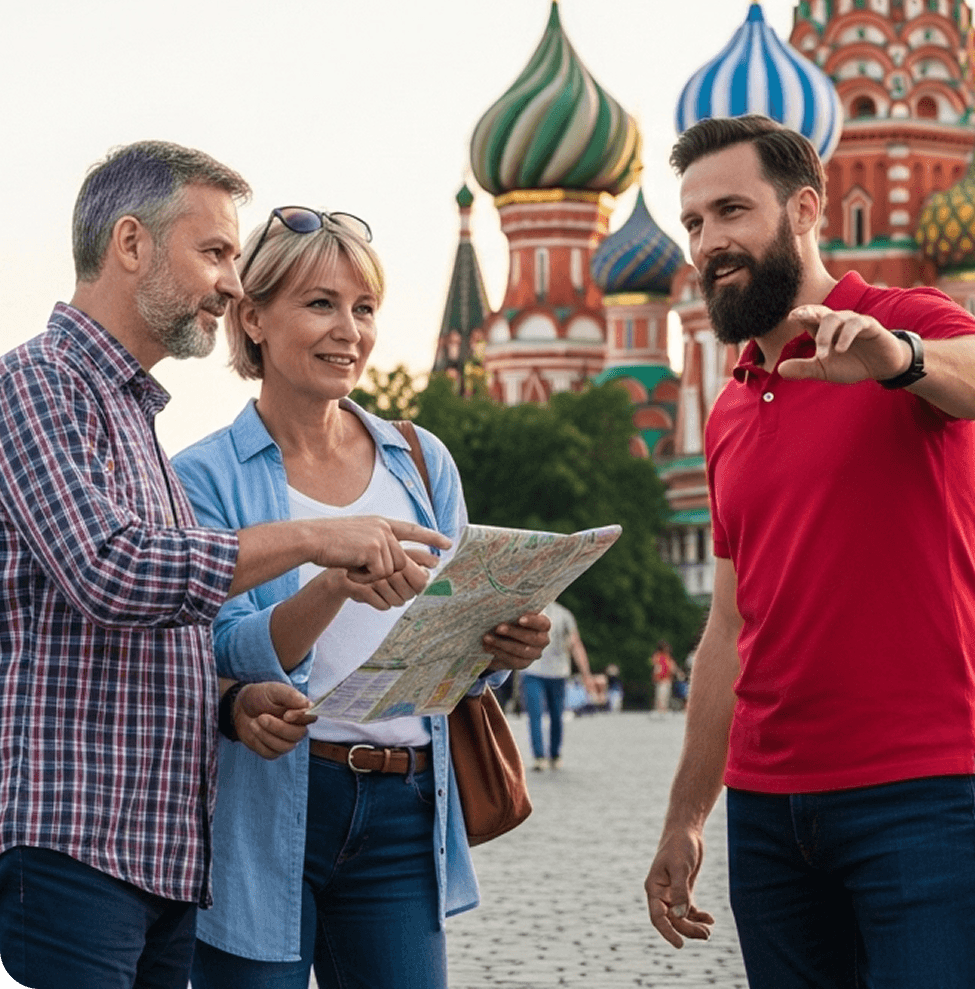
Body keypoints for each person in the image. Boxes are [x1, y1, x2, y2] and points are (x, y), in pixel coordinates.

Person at [0, 144, 452, 989]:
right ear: (131, 244)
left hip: (158, 845)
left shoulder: (134, 417)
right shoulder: (37, 383)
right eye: (215, 254)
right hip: (79, 832)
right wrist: (319, 542)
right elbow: (112, 573)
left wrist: (234, 699)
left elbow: (174, 640)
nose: (232, 283)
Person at [644, 116, 975, 989]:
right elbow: (728, 628)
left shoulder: (897, 323)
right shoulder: (729, 409)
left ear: (806, 210)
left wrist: (899, 362)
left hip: (920, 792)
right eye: (695, 224)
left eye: (733, 211)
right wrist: (686, 816)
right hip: (770, 813)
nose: (711, 242)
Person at [172, 207, 551, 989]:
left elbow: (455, 655)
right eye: (319, 304)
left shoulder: (418, 457)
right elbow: (226, 650)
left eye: (363, 308)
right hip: (269, 806)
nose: (348, 329)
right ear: (253, 317)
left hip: (408, 802)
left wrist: (498, 642)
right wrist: (334, 587)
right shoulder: (201, 476)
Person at [522, 600, 595, 770]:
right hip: (533, 671)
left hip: (558, 673)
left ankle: (554, 754)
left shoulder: (564, 615)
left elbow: (575, 645)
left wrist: (586, 674)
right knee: (535, 715)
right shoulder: (528, 613)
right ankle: (539, 756)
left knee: (556, 716)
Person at [651, 640, 682, 714]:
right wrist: (656, 673)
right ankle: (659, 709)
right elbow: (656, 666)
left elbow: (672, 665)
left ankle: (664, 709)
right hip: (660, 678)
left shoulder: (667, 656)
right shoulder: (658, 656)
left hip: (667, 678)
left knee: (665, 694)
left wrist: (679, 673)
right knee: (660, 694)